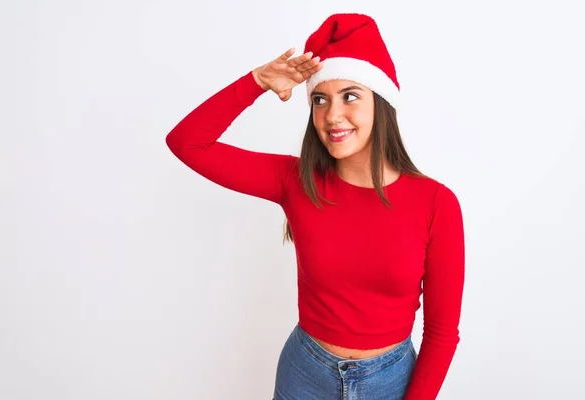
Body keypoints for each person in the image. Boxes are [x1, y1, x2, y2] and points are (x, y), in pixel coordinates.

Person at [166, 12, 465, 400]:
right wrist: (257, 81)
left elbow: (442, 334)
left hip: (391, 382)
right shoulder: (295, 181)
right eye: (320, 99)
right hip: (304, 375)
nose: (332, 115)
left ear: (382, 101)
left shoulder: (436, 203)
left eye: (351, 96)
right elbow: (187, 142)